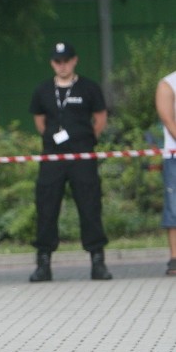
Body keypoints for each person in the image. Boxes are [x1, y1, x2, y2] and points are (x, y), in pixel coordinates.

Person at [29, 42, 112, 282]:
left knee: (90, 206)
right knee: (46, 207)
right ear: (52, 63)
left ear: (74, 61)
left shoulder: (89, 88)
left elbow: (100, 118)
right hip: (53, 156)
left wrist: (85, 141)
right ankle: (43, 261)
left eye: (66, 61)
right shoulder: (43, 89)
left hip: (82, 156)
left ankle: (98, 259)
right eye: (57, 61)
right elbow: (40, 121)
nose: (62, 65)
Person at [155, 70, 176, 276]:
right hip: (175, 155)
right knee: (175, 206)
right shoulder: (168, 83)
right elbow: (169, 122)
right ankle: (175, 258)